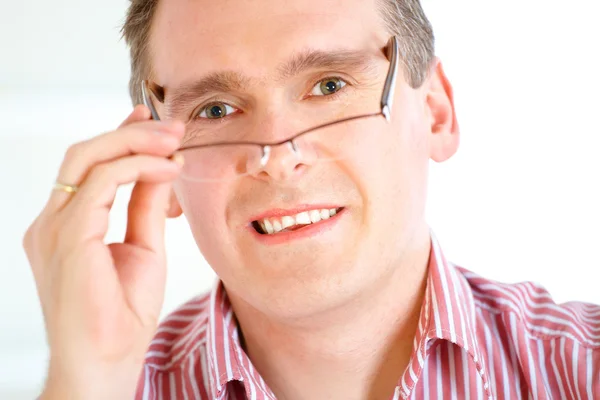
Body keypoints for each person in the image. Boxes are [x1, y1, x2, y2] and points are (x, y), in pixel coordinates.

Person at [23, 0, 599, 399]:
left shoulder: (582, 370)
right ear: (162, 168)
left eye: (329, 86)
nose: (278, 155)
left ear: (436, 114)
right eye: (216, 109)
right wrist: (85, 386)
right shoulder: (105, 387)